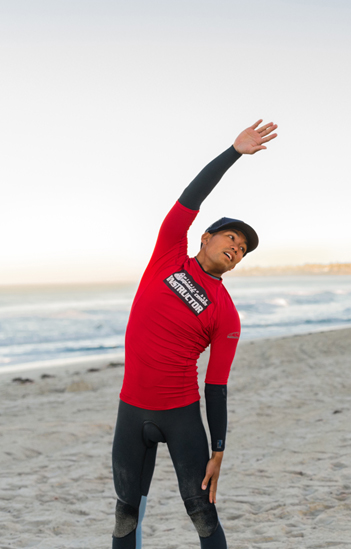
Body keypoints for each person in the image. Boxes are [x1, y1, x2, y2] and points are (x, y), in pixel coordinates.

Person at [110, 120, 277, 549]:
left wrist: (218, 448)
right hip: (131, 412)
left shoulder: (227, 315)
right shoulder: (168, 254)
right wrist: (234, 152)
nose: (237, 248)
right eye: (231, 237)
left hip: (182, 416)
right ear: (205, 237)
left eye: (242, 249)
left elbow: (216, 383)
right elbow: (192, 196)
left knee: (202, 514)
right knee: (125, 514)